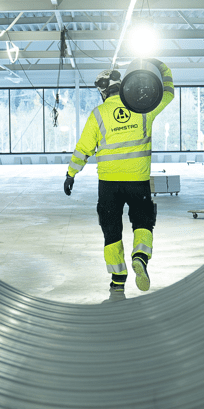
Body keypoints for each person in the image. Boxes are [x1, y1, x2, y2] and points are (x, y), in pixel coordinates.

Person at [63, 59, 174, 293]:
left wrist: (71, 173)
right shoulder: (143, 108)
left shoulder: (99, 114)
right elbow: (168, 94)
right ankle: (140, 257)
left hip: (109, 185)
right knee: (143, 221)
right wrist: (162, 68)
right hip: (138, 181)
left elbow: (83, 148)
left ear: (104, 91)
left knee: (111, 229)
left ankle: (118, 278)